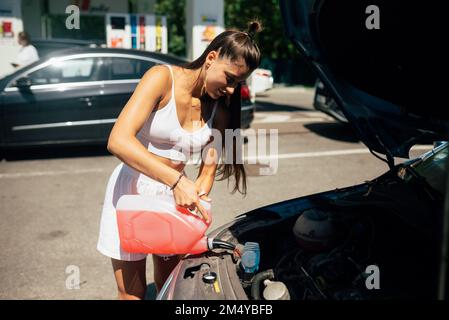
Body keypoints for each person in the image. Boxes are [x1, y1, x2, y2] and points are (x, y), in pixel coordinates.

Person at [96, 20, 263, 300]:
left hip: (175, 200)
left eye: (239, 83)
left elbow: (208, 171)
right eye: (230, 79)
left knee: (171, 287)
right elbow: (118, 140)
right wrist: (176, 181)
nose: (233, 90)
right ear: (211, 58)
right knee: (132, 294)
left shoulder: (219, 108)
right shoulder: (162, 78)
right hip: (130, 193)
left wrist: (198, 197)